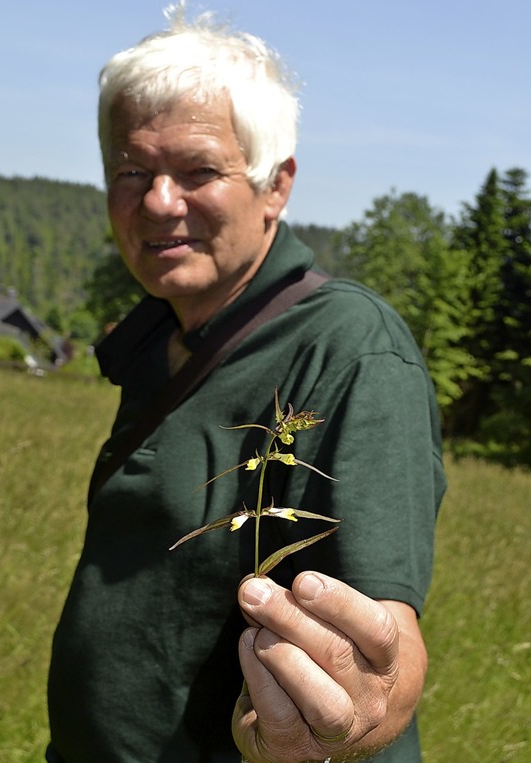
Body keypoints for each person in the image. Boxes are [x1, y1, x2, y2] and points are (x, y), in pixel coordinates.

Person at [46, 5, 446, 762]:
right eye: (132, 170)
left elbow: (386, 640)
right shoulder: (164, 333)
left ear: (275, 186)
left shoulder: (349, 348)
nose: (160, 201)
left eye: (199, 170)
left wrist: (360, 706)